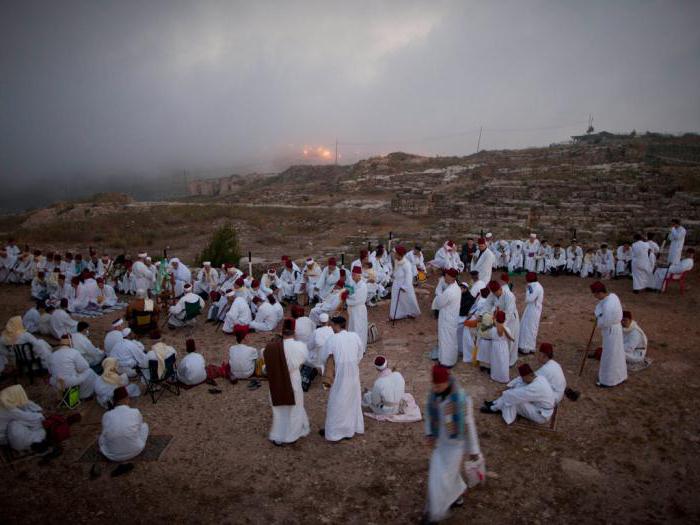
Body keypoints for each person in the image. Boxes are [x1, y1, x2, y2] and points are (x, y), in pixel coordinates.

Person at [424, 365, 480, 523]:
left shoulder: (461, 399)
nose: (436, 388)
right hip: (440, 444)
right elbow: (429, 415)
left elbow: (469, 424)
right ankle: (457, 497)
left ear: (447, 382)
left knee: (440, 477)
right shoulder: (433, 396)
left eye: (439, 385)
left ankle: (435, 513)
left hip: (455, 446)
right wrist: (429, 433)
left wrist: (473, 449)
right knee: (443, 474)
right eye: (434, 385)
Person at [264, 319, 310, 446]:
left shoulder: (270, 348)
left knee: (279, 410)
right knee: (295, 409)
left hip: (277, 382)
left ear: (282, 331)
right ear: (294, 332)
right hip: (293, 380)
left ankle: (278, 436)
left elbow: (266, 366)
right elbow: (304, 360)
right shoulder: (301, 347)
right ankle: (292, 436)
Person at [318, 316, 364, 442]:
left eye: (332, 325)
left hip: (340, 375)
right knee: (351, 401)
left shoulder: (332, 339)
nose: (331, 327)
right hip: (353, 374)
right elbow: (360, 353)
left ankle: (335, 433)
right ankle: (350, 430)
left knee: (337, 403)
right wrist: (352, 363)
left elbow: (323, 357)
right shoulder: (354, 336)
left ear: (336, 325)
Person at [481, 363, 555, 425]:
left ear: (528, 375)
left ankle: (494, 408)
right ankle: (495, 403)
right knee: (518, 387)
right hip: (540, 407)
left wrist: (504, 392)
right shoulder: (539, 377)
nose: (523, 380)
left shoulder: (535, 387)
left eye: (523, 378)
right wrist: (507, 387)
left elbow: (514, 395)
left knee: (514, 398)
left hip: (541, 415)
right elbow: (519, 379)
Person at [590, 281, 627, 388]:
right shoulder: (613, 296)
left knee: (609, 355)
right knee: (617, 353)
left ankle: (608, 381)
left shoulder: (608, 305)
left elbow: (604, 322)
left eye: (595, 294)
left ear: (599, 293)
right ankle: (620, 376)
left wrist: (598, 320)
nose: (595, 297)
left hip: (611, 331)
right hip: (616, 329)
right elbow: (601, 307)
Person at [99, 386, 149, 462]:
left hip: (111, 455)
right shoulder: (135, 412)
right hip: (135, 450)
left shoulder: (106, 415)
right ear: (127, 398)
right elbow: (139, 427)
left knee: (102, 436)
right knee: (144, 426)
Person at [48, 334, 98, 399]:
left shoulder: (53, 355)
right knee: (90, 372)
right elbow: (85, 367)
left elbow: (50, 371)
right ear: (71, 343)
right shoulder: (74, 352)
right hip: (70, 382)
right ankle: (83, 395)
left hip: (57, 383)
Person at [0, 385, 46, 452]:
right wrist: (40, 414)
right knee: (29, 421)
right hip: (3, 436)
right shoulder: (10, 410)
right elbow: (32, 418)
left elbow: (25, 402)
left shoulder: (4, 399)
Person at [431, 268, 461, 367]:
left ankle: (446, 362)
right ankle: (451, 359)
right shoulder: (456, 287)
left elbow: (440, 302)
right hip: (452, 317)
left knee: (445, 340)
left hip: (447, 319)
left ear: (451, 277)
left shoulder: (450, 291)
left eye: (446, 275)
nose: (445, 277)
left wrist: (439, 290)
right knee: (451, 339)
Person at [389, 246, 421, 320]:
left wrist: (405, 287)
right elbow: (396, 271)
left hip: (404, 285)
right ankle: (395, 315)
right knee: (396, 299)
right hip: (396, 284)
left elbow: (409, 277)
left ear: (399, 254)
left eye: (395, 253)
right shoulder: (397, 261)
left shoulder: (406, 264)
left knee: (407, 300)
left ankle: (411, 313)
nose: (394, 255)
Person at [518, 272, 544, 355]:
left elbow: (529, 299)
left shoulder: (535, 287)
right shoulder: (536, 285)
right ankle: (531, 346)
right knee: (530, 327)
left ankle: (526, 348)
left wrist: (527, 289)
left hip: (533, 309)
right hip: (532, 308)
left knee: (529, 328)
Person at [346, 266, 368, 352]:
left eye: (354, 275)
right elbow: (351, 293)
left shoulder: (363, 286)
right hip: (353, 310)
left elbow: (357, 298)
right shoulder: (354, 284)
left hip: (359, 310)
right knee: (353, 327)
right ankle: (353, 346)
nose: (352, 277)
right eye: (352, 275)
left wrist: (347, 298)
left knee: (359, 328)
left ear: (359, 275)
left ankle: (360, 348)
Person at [489, 311, 513, 383]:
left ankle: (495, 376)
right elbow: (509, 338)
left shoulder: (493, 329)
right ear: (504, 319)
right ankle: (503, 377)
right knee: (503, 361)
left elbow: (491, 336)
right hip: (503, 346)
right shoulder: (507, 329)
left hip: (495, 346)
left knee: (496, 361)